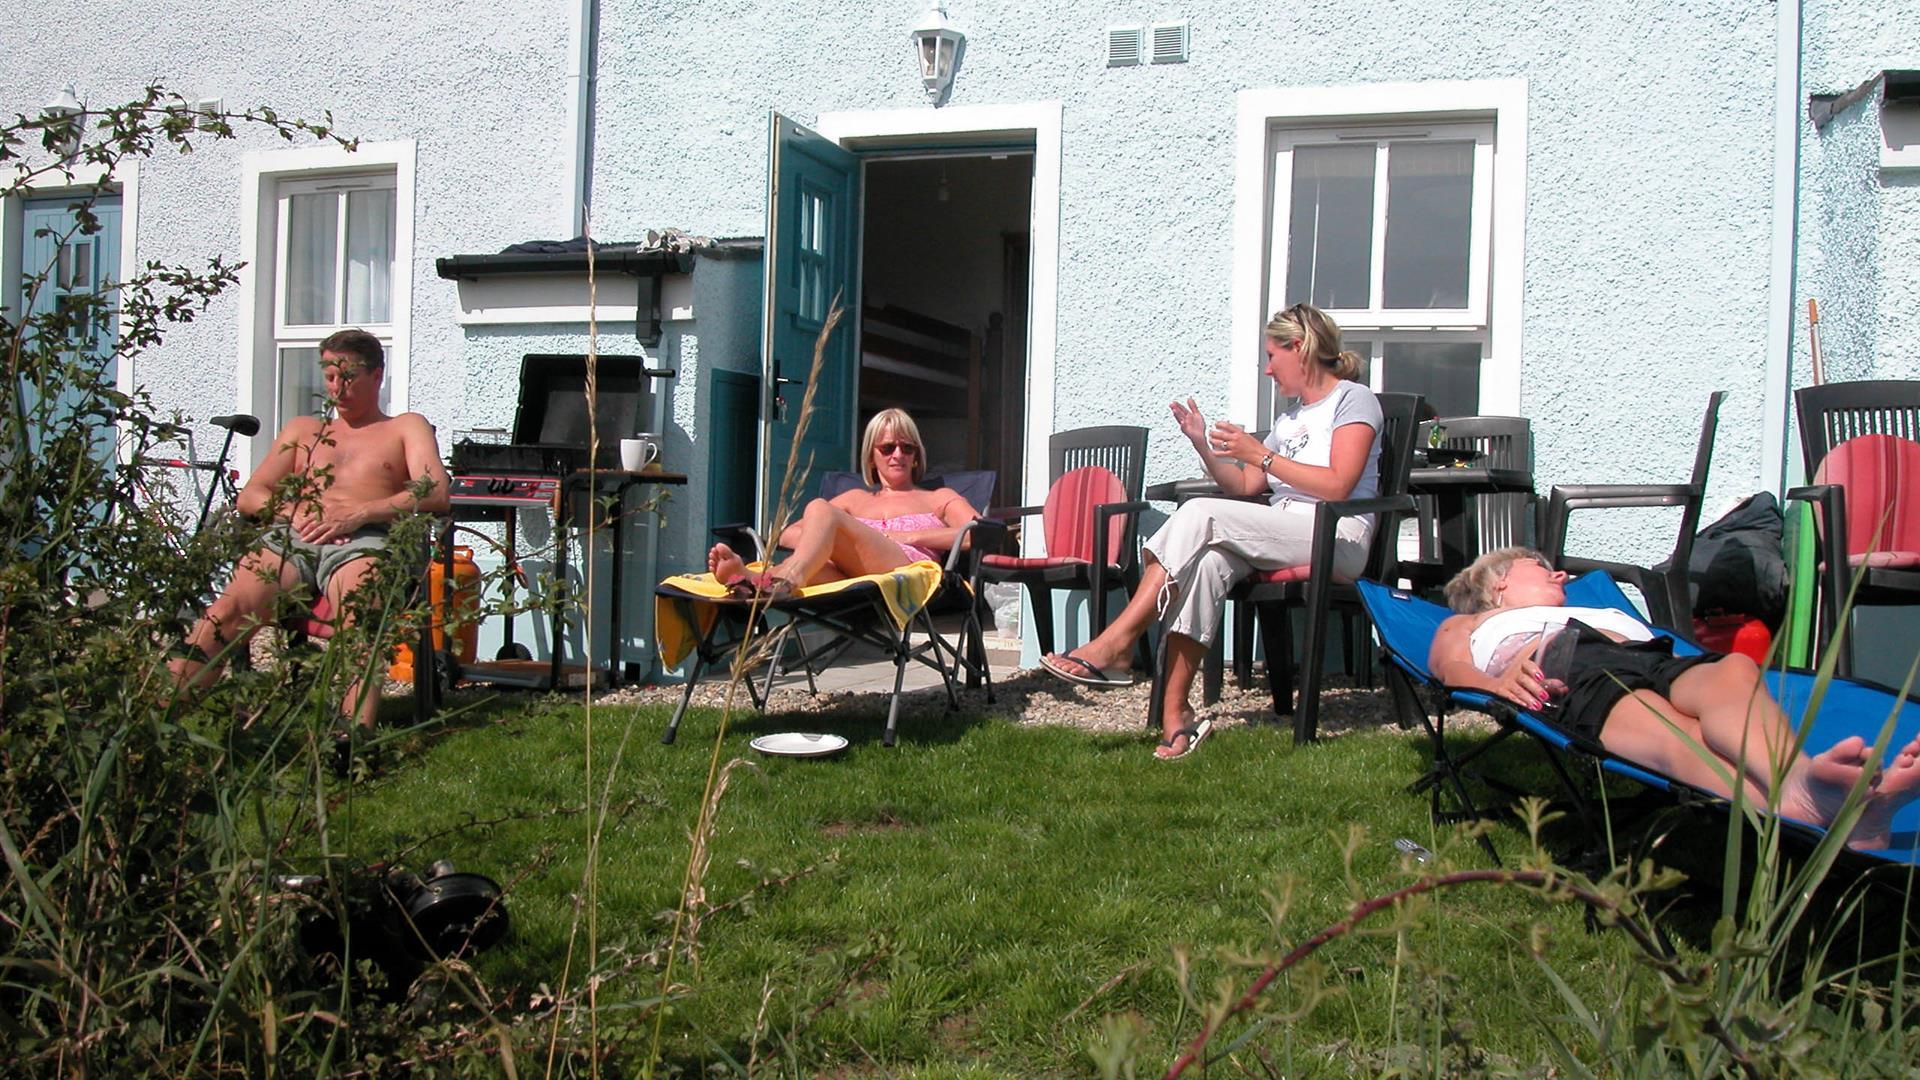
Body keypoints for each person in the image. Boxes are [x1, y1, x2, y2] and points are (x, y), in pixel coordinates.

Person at [1039, 303, 1384, 760]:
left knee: (1201, 512)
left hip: (1337, 535)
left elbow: (1339, 484)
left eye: (1272, 356)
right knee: (1207, 564)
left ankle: (1117, 642)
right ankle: (1176, 714)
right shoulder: (1290, 419)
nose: (1267, 370)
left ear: (1300, 348)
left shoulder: (1353, 399)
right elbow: (1244, 486)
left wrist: (1260, 454)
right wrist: (1202, 444)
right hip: (1285, 530)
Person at [1431, 547, 1920, 849]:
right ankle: (1834, 811)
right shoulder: (1474, 622)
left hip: (1651, 656)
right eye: (1541, 568)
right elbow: (1450, 667)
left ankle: (1802, 783)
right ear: (1499, 580)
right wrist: (1500, 687)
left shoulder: (1600, 610)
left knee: (1733, 669)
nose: (1559, 575)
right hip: (1567, 664)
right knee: (1672, 730)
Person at [170, 329, 451, 739]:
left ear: (377, 375)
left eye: (348, 377)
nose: (337, 388)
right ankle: (157, 721)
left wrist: (359, 513)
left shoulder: (405, 427)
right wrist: (298, 513)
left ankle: (349, 742)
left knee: (360, 613)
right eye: (330, 377)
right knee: (228, 610)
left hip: (367, 539)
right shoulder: (304, 430)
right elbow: (252, 496)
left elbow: (436, 491)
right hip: (295, 536)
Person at [706, 408, 977, 601]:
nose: (898, 455)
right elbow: (788, 535)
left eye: (907, 448)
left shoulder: (937, 497)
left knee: (820, 510)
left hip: (905, 575)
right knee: (815, 557)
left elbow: (980, 532)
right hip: (852, 581)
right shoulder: (854, 499)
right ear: (870, 457)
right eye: (887, 448)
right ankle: (749, 580)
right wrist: (831, 541)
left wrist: (909, 536)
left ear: (916, 457)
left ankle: (783, 579)